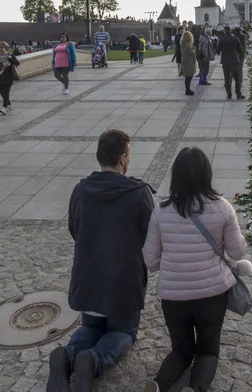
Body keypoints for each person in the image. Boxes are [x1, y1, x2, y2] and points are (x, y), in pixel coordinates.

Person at [46, 130, 155, 392]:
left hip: (89, 283)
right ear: (122, 159)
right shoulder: (139, 193)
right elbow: (151, 238)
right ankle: (93, 360)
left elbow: (74, 229)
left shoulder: (80, 190)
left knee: (91, 328)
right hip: (123, 287)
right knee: (123, 333)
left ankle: (68, 356)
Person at [143, 147, 247, 392]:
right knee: (208, 350)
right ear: (206, 174)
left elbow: (150, 260)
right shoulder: (222, 208)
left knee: (181, 350)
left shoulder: (161, 210)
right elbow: (237, 252)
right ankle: (195, 388)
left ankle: (158, 385)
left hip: (173, 296)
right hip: (212, 295)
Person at [216, 26, 245, 100]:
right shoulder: (235, 39)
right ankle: (238, 94)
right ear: (230, 31)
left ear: (224, 31)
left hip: (225, 61)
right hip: (234, 61)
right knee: (237, 78)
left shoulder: (221, 39)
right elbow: (240, 50)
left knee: (227, 78)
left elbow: (217, 51)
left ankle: (229, 94)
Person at [0, 41, 20, 115]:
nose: (0, 49)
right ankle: (8, 104)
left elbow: (17, 63)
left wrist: (10, 58)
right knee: (2, 92)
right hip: (0, 76)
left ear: (5, 48)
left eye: (1, 47)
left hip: (8, 76)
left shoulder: (10, 54)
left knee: (6, 92)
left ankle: (4, 107)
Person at [181, 31, 197, 96]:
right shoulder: (187, 45)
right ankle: (187, 90)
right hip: (188, 62)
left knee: (188, 76)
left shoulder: (184, 44)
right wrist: (194, 49)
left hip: (186, 61)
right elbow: (191, 52)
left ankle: (188, 89)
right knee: (189, 76)